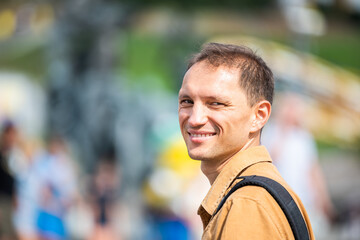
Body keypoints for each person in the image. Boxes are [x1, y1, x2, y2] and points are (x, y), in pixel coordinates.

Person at [178, 42, 315, 239]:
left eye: (215, 103)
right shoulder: (252, 196)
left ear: (259, 115)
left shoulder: (247, 205)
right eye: (187, 102)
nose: (194, 119)